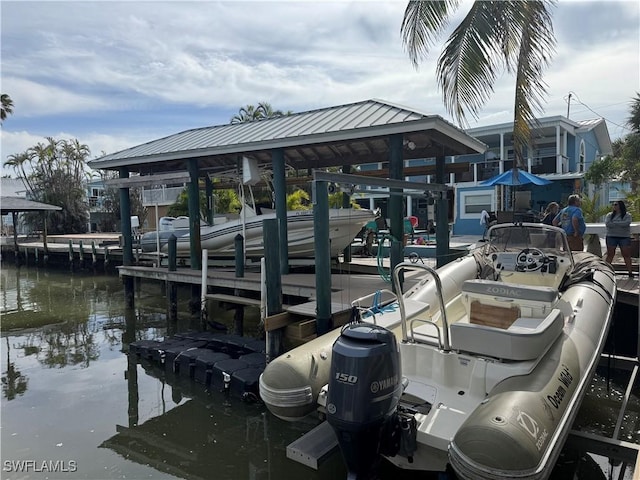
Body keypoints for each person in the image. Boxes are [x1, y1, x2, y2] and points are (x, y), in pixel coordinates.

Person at [604, 200, 635, 277]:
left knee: (626, 254)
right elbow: (608, 224)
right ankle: (604, 271)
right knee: (610, 254)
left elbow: (626, 223)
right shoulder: (609, 215)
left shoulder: (627, 215)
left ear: (620, 206)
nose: (614, 206)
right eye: (613, 204)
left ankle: (630, 272)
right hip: (611, 236)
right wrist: (620, 223)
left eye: (616, 204)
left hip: (624, 237)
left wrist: (614, 223)